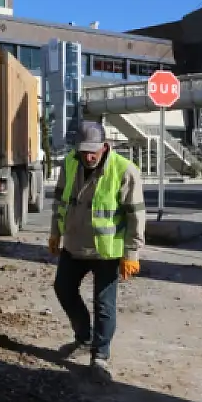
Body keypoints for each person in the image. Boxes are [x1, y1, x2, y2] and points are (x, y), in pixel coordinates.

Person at [47, 121, 146, 382]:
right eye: (83, 151)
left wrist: (132, 254)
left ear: (105, 146)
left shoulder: (125, 171)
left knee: (104, 304)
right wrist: (55, 232)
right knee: (63, 289)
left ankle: (100, 357)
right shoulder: (69, 164)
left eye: (93, 151)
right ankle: (84, 336)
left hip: (106, 251)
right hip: (75, 244)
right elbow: (59, 200)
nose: (88, 156)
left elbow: (136, 216)